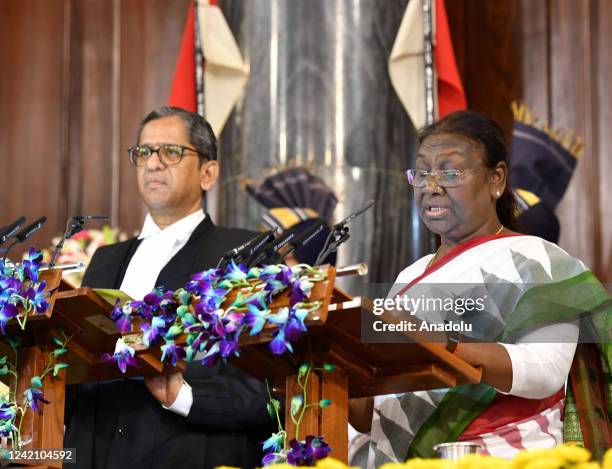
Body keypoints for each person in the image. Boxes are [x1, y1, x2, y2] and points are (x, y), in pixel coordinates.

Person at [349, 110, 611, 466]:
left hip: (505, 457)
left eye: (450, 172)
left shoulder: (538, 259)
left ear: (496, 179)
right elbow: (376, 413)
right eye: (422, 172)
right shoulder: (408, 278)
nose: (431, 185)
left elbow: (545, 371)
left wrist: (440, 343)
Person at [65, 106, 274, 469]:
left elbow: (269, 391)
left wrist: (183, 396)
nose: (153, 163)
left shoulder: (245, 255)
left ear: (208, 173)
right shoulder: (104, 260)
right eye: (144, 152)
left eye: (171, 152)